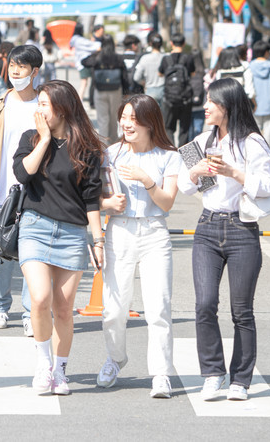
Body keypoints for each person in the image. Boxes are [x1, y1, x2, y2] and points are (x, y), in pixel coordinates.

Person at [178, 78, 270, 402]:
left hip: (242, 229)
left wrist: (233, 172)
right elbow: (186, 186)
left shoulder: (252, 142)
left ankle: (241, 380)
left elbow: (266, 186)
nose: (205, 106)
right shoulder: (201, 141)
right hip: (206, 227)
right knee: (204, 304)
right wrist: (196, 172)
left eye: (211, 101)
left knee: (241, 310)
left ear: (228, 106)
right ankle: (213, 373)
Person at [13, 79, 104, 395]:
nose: (38, 110)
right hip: (35, 227)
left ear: (62, 109)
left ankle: (60, 370)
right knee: (39, 297)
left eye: (43, 105)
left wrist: (98, 239)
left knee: (64, 309)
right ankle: (43, 365)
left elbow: (92, 198)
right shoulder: (31, 139)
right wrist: (44, 140)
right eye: (37, 104)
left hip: (72, 233)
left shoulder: (87, 148)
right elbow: (23, 174)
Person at [96, 95, 180, 399]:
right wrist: (108, 204)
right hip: (119, 231)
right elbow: (96, 199)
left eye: (133, 118)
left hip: (155, 232)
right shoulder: (110, 154)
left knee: (158, 307)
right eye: (124, 117)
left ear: (149, 122)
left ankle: (160, 373)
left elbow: (167, 201)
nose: (126, 123)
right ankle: (116, 358)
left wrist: (146, 180)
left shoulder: (168, 156)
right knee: (114, 309)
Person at [0, 45, 42, 335]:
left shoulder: (45, 106)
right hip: (1, 193)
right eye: (12, 65)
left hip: (38, 194)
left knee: (32, 256)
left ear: (34, 71)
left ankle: (30, 312)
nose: (15, 71)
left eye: (22, 67)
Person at [82, 36, 127, 141]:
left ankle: (103, 143)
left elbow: (84, 62)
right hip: (115, 90)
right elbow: (124, 76)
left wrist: (96, 52)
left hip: (100, 89)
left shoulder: (97, 57)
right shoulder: (118, 58)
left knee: (103, 118)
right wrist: (125, 91)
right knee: (114, 117)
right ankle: (114, 141)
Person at [158, 34, 197, 146]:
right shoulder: (188, 58)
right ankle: (185, 157)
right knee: (184, 129)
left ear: (171, 43)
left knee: (169, 128)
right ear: (184, 44)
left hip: (169, 99)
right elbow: (193, 74)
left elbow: (160, 73)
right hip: (185, 98)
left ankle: (171, 153)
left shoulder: (166, 59)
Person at [69, 23, 102, 99]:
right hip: (84, 62)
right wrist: (95, 42)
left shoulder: (74, 39)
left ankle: (80, 99)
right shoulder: (80, 40)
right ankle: (79, 99)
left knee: (84, 83)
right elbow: (92, 46)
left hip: (79, 62)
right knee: (84, 83)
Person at [133, 31, 166, 107]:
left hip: (150, 90)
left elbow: (136, 77)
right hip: (164, 91)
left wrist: (143, 83)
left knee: (151, 117)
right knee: (163, 117)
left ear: (150, 44)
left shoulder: (145, 58)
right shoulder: (166, 57)